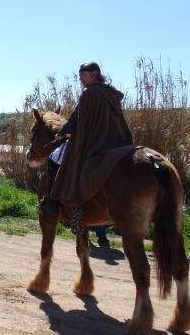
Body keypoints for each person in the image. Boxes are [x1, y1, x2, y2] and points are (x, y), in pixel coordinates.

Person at [41, 62, 134, 220]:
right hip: (116, 141)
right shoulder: (110, 93)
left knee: (54, 159)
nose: (80, 79)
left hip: (93, 141)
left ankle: (52, 201)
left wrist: (62, 133)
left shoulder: (89, 93)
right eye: (79, 75)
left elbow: (76, 118)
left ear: (94, 74)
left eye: (82, 75)